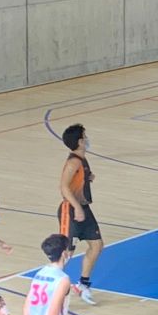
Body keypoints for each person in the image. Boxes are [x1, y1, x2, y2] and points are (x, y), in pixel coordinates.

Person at [58, 124, 103, 304]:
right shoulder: (73, 162)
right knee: (66, 252)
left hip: (84, 208)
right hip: (70, 210)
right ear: (79, 141)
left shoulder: (82, 160)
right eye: (84, 136)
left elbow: (79, 180)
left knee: (97, 245)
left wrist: (88, 178)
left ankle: (83, 285)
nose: (87, 139)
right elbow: (63, 187)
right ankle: (50, 287)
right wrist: (76, 207)